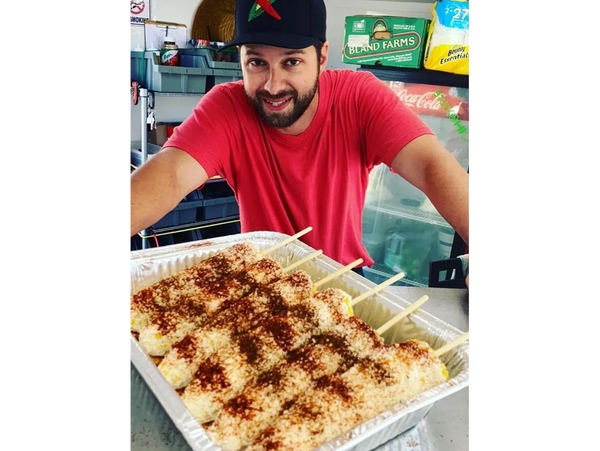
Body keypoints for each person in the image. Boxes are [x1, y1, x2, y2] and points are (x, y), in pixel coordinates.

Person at [128, 0, 469, 279]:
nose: (273, 86)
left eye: (291, 61)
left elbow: (429, 164)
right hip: (263, 284)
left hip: (344, 281)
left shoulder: (359, 97)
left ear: (321, 57)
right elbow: (171, 175)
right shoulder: (226, 107)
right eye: (256, 62)